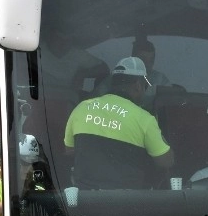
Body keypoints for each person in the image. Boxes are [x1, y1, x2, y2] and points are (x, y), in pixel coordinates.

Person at [63, 56, 174, 190]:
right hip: (125, 204)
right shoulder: (144, 119)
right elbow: (166, 162)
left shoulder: (81, 108)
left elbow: (69, 151)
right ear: (138, 86)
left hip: (86, 200)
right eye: (145, 86)